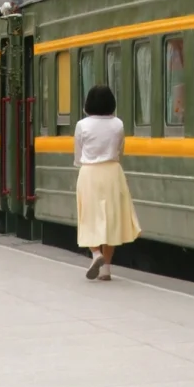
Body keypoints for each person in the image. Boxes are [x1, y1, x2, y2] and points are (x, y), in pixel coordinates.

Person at [74, 83, 141, 280]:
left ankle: (96, 254)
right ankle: (106, 270)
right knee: (111, 219)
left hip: (89, 173)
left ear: (88, 104)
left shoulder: (82, 125)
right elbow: (121, 149)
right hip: (113, 172)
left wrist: (84, 162)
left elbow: (78, 155)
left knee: (89, 216)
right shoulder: (118, 124)